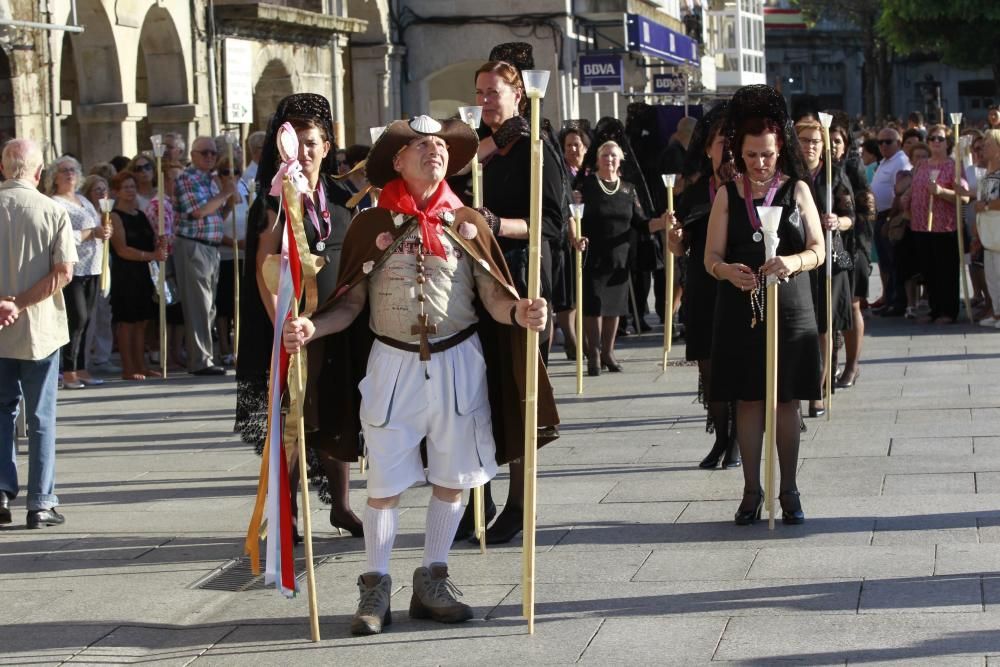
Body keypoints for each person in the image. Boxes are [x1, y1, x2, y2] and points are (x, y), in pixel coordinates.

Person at [280, 114, 556, 636]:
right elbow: (350, 304)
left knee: (453, 480)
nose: (435, 151)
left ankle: (433, 579)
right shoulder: (369, 224)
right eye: (421, 146)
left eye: (440, 146)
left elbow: (496, 298)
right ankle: (375, 586)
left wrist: (522, 313)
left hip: (459, 360)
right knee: (384, 482)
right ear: (397, 162)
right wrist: (311, 327)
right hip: (391, 363)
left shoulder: (467, 222)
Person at [239, 92, 363, 538]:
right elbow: (262, 266)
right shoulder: (275, 199)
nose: (305, 152)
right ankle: (287, 511)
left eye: (313, 143)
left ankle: (342, 506)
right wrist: (282, 328)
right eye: (297, 143)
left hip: (335, 324)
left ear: (326, 146)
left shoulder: (344, 197)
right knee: (292, 421)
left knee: (336, 415)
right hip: (288, 328)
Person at [704, 85, 825, 526]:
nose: (760, 163)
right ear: (740, 151)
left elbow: (819, 248)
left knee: (786, 399)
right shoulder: (726, 195)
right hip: (740, 305)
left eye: (768, 155)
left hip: (790, 303)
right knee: (749, 399)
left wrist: (792, 261)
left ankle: (789, 487)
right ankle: (751, 489)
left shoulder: (796, 190)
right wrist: (726, 271)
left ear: (780, 152)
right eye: (753, 154)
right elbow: (710, 257)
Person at [466, 48, 566, 544]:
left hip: (520, 275)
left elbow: (549, 224)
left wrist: (495, 224)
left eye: (495, 92)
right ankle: (475, 496)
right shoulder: (474, 147)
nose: (486, 100)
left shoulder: (534, 147)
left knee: (517, 388)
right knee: (475, 392)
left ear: (518, 96)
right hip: (475, 279)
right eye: (480, 92)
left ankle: (518, 502)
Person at [0, 138, 77, 528]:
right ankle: (41, 502)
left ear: (2, 168)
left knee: (0, 411)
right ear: (38, 171)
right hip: (39, 328)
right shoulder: (53, 210)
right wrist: (21, 303)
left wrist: (5, 303)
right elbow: (64, 272)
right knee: (41, 416)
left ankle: (0, 488)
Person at [662, 101, 741, 469]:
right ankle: (721, 437)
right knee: (708, 368)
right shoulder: (694, 192)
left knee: (736, 365)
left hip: (737, 288)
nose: (724, 149)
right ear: (707, 147)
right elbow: (680, 247)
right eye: (718, 142)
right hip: (702, 288)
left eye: (731, 141)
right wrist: (674, 236)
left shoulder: (746, 191)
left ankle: (739, 440)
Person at [577, 141, 655, 375]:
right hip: (591, 253)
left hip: (619, 256)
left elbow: (641, 222)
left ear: (620, 159)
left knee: (613, 307)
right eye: (605, 155)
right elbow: (573, 215)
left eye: (613, 155)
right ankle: (593, 354)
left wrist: (663, 223)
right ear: (598, 159)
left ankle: (608, 353)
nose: (609, 159)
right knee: (593, 307)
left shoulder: (629, 189)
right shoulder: (586, 186)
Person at [796, 119, 854, 418]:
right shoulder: (789, 176)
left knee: (824, 327)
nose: (811, 146)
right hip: (798, 259)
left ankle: (818, 390)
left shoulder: (833, 175)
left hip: (830, 259)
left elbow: (850, 216)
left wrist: (837, 221)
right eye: (805, 140)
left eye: (816, 141)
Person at [173, 136, 236, 375]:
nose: (210, 157)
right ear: (193, 155)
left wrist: (228, 200)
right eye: (205, 153)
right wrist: (224, 194)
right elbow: (198, 212)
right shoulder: (186, 179)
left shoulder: (210, 180)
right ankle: (200, 359)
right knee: (198, 303)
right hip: (193, 245)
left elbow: (217, 214)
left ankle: (205, 355)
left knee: (209, 306)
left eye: (213, 153)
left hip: (211, 246)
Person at [46, 156, 110, 389]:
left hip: (92, 265)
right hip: (71, 267)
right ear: (54, 176)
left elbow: (95, 226)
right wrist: (91, 233)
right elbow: (61, 237)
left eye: (73, 169)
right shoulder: (55, 203)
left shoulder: (83, 199)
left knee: (87, 319)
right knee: (77, 318)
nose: (69, 173)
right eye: (64, 170)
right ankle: (68, 369)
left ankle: (81, 367)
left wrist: (103, 231)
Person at [906, 123, 969, 324]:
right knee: (928, 269)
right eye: (932, 138)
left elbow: (964, 197)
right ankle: (934, 309)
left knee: (945, 270)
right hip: (920, 225)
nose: (935, 142)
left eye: (940, 139)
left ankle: (948, 311)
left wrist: (942, 192)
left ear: (948, 143)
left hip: (944, 226)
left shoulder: (953, 165)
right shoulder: (922, 165)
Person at [108, 171, 168, 380]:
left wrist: (159, 244)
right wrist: (152, 255)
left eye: (133, 187)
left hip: (144, 272)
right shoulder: (114, 216)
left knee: (142, 321)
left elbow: (149, 241)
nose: (130, 191)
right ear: (116, 191)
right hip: (126, 273)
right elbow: (122, 249)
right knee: (127, 321)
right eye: (125, 188)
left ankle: (141, 366)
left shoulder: (140, 214)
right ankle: (128, 367)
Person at [831, 124, 875, 389]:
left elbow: (865, 212)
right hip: (828, 249)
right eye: (830, 140)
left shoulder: (852, 170)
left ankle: (852, 365)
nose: (833, 145)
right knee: (830, 306)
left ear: (845, 145)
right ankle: (830, 362)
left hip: (852, 248)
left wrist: (859, 247)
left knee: (852, 304)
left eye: (837, 140)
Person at [870, 127, 912, 316]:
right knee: (885, 262)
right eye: (880, 142)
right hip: (880, 215)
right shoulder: (885, 161)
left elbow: (901, 191)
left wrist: (889, 218)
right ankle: (889, 298)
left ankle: (897, 302)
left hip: (891, 216)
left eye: (889, 142)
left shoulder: (901, 161)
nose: (884, 146)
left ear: (899, 143)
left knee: (894, 261)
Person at [556, 126, 590, 359]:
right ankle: (571, 339)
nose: (573, 149)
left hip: (589, 234)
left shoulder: (590, 173)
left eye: (577, 144)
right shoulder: (561, 172)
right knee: (567, 291)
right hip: (566, 237)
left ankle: (581, 336)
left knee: (582, 292)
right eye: (568, 145)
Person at [213, 154, 247, 366]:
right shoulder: (216, 191)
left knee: (240, 303)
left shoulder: (245, 188)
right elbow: (215, 223)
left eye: (236, 171)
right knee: (224, 305)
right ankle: (224, 346)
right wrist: (232, 242)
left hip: (243, 254)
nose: (231, 176)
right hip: (224, 255)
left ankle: (240, 346)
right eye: (226, 171)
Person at [972, 130, 1000, 327]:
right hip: (988, 231)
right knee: (991, 276)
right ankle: (997, 313)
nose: (984, 147)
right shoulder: (984, 173)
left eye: (989, 143)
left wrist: (988, 206)